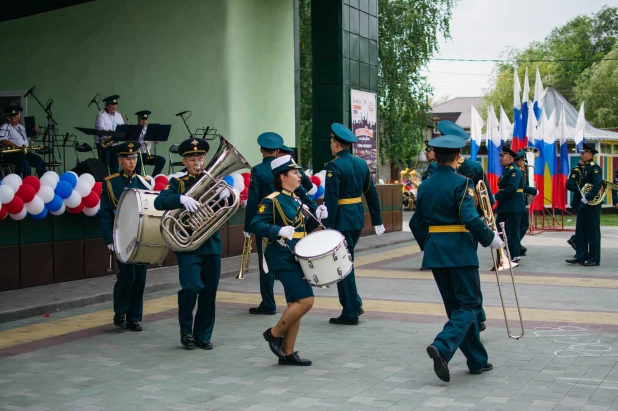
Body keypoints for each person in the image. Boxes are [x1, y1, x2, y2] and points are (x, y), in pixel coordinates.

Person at [410, 134, 502, 382]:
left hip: (437, 254)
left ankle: (476, 360)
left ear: (436, 157)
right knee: (471, 305)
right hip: (460, 252)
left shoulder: (425, 185)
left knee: (457, 309)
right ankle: (442, 345)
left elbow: (415, 223)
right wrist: (488, 238)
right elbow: (469, 216)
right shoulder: (463, 183)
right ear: (457, 157)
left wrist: (429, 245)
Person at [249, 154, 327, 366]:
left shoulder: (296, 199)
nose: (299, 176)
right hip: (283, 257)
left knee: (295, 303)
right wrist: (278, 230)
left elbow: (304, 230)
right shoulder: (272, 200)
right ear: (283, 177)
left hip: (298, 256)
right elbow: (254, 225)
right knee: (306, 301)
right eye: (294, 172)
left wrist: (319, 217)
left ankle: (287, 353)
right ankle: (274, 334)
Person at [154, 138, 227, 349]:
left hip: (211, 244)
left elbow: (224, 210)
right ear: (184, 161)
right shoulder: (178, 183)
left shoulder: (215, 182)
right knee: (191, 287)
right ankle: (186, 331)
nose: (198, 162)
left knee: (209, 292)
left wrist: (223, 196)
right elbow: (160, 202)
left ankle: (203, 334)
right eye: (192, 158)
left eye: (201, 157)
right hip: (188, 245)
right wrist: (180, 199)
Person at [323, 123, 384, 325]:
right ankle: (354, 303)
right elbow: (371, 192)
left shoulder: (334, 166)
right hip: (357, 217)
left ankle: (350, 311)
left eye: (331, 142)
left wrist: (327, 227)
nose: (331, 145)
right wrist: (377, 220)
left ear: (337, 143)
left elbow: (331, 199)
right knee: (345, 262)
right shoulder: (360, 164)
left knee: (343, 265)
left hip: (341, 220)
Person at [436, 120, 492, 331]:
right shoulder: (473, 166)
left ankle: (469, 317)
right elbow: (488, 197)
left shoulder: (437, 169)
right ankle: (477, 315)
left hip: (454, 230)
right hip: (471, 228)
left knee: (456, 282)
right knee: (469, 275)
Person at [100, 142, 151, 331]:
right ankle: (121, 311)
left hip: (142, 236)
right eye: (128, 158)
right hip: (122, 235)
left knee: (140, 277)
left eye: (135, 158)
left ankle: (134, 317)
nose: (132, 162)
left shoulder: (144, 181)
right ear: (120, 160)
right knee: (127, 276)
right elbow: (106, 213)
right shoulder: (111, 182)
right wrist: (108, 239)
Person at [244, 132, 284, 316]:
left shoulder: (258, 170)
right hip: (286, 220)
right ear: (277, 150)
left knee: (265, 263)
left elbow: (253, 200)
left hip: (265, 222)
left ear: (261, 150)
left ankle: (268, 303)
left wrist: (247, 226)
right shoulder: (285, 168)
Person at [566, 143, 603, 267]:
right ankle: (580, 255)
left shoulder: (594, 168)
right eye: (581, 153)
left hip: (592, 204)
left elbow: (598, 185)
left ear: (590, 154)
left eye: (583, 153)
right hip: (584, 203)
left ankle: (593, 258)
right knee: (581, 230)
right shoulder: (585, 167)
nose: (581, 155)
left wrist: (588, 197)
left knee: (593, 231)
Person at [494, 146, 525, 263]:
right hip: (505, 206)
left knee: (512, 232)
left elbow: (512, 188)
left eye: (502, 156)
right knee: (499, 230)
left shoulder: (514, 171)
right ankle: (511, 251)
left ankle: (515, 255)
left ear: (510, 157)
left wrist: (496, 196)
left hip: (513, 206)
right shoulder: (507, 170)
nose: (500, 158)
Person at [0, 105, 46, 177]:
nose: (13, 119)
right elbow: (2, 140)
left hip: (24, 152)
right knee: (25, 162)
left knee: (39, 160)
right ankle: (27, 183)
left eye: (15, 117)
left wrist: (34, 132)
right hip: (13, 154)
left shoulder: (21, 127)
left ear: (19, 117)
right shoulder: (5, 126)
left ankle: (44, 180)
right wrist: (17, 147)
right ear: (9, 117)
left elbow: (31, 139)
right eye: (11, 117)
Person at [514, 150, 538, 255]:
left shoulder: (520, 171)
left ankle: (515, 245)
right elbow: (522, 187)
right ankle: (514, 245)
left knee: (522, 224)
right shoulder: (516, 171)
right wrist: (533, 190)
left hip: (521, 201)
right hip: (517, 202)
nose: (524, 162)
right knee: (522, 224)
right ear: (518, 161)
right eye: (523, 160)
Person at [95, 95, 124, 174]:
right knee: (104, 165)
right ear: (107, 105)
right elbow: (100, 129)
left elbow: (122, 127)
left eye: (115, 105)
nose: (114, 107)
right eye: (112, 105)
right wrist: (111, 132)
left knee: (115, 164)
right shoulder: (101, 115)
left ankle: (115, 182)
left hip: (114, 143)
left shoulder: (118, 115)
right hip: (104, 143)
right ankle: (105, 183)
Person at [134, 110, 166, 176]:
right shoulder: (134, 129)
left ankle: (153, 178)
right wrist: (143, 140)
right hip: (136, 154)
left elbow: (157, 142)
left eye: (145, 119)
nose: (144, 121)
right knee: (138, 161)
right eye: (142, 119)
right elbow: (132, 143)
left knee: (161, 160)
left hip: (146, 155)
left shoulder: (149, 129)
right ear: (139, 119)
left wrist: (156, 137)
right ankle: (138, 179)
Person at [566, 160, 584, 250]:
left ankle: (575, 240)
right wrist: (581, 191)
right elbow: (569, 185)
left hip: (585, 201)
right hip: (579, 201)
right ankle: (575, 240)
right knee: (582, 225)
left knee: (584, 225)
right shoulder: (577, 170)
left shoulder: (586, 169)